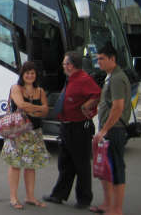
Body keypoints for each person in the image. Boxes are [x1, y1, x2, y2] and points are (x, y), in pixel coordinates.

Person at [44, 51, 101, 209]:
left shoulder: (83, 79)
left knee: (81, 164)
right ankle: (59, 194)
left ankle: (84, 199)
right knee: (65, 162)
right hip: (67, 125)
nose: (63, 66)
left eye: (64, 64)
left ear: (71, 65)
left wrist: (86, 106)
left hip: (78, 127)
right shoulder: (71, 79)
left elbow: (97, 94)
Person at [1, 61, 50, 210]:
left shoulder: (40, 90)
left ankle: (30, 196)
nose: (30, 76)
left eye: (32, 73)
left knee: (31, 165)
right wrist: (38, 109)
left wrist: (32, 109)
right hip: (18, 133)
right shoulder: (16, 88)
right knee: (15, 165)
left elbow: (46, 111)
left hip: (34, 132)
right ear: (22, 74)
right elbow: (21, 105)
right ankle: (13, 198)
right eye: (27, 73)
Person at [91, 44, 132, 215]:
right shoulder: (110, 76)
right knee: (106, 168)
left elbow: (118, 107)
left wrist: (104, 130)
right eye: (97, 58)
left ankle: (116, 209)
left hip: (114, 129)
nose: (98, 62)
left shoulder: (116, 78)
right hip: (109, 128)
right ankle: (108, 204)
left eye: (101, 58)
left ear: (112, 59)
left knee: (116, 168)